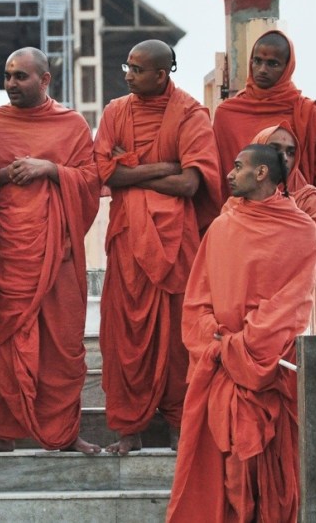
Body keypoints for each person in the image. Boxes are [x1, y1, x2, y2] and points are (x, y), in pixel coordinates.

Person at [166, 144, 316, 522]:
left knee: (269, 480)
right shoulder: (222, 227)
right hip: (221, 367)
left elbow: (294, 301)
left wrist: (244, 345)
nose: (229, 174)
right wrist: (216, 340)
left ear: (261, 173)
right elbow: (197, 299)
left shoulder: (300, 229)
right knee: (229, 477)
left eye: (238, 167)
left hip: (271, 368)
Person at [0, 47, 102, 455]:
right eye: (7, 76)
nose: (11, 84)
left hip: (58, 254)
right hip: (6, 256)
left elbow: (92, 179)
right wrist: (2, 174)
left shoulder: (71, 125)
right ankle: (1, 432)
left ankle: (65, 433)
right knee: (5, 346)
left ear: (44, 80)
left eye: (20, 76)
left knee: (63, 347)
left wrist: (50, 169)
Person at [93, 39, 224, 455]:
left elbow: (189, 183)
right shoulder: (115, 112)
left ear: (161, 74)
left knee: (178, 337)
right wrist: (162, 167)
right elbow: (106, 174)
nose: (127, 75)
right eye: (127, 67)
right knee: (124, 334)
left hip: (176, 243)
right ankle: (128, 427)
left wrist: (130, 166)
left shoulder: (189, 114)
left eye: (136, 69)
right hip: (128, 242)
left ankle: (179, 423)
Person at [213, 29, 316, 199]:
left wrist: (300, 204)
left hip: (295, 209)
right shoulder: (227, 114)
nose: (262, 69)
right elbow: (216, 174)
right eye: (257, 61)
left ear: (288, 67)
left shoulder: (310, 114)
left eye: (272, 64)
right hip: (237, 210)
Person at [252, 122, 316, 335]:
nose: (283, 157)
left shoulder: (310, 201)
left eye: (290, 152)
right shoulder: (237, 206)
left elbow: (315, 255)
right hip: (246, 310)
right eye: (274, 149)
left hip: (293, 311)